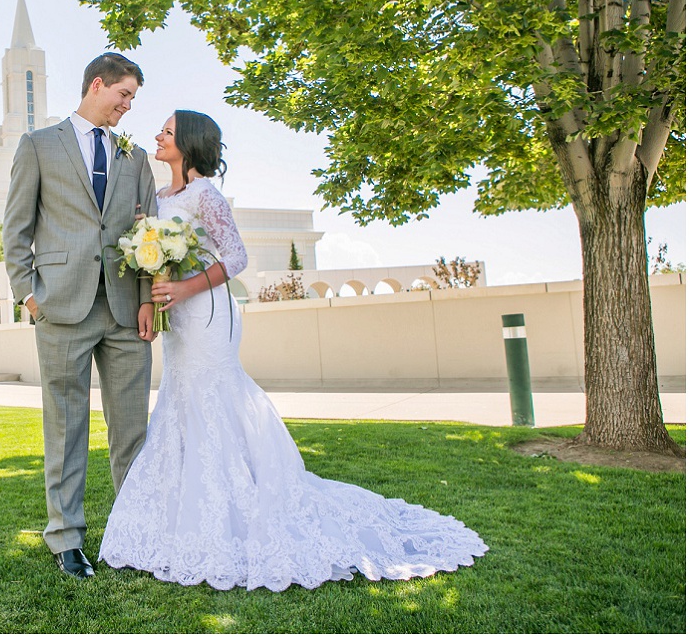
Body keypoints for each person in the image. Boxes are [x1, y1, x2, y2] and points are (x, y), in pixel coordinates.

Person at [99, 110, 488, 591]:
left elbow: (236, 256)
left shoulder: (206, 195)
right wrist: (157, 290)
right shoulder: (158, 198)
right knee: (180, 401)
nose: (158, 135)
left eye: (168, 131)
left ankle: (242, 503)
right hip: (176, 320)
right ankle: (181, 514)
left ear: (190, 144)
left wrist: (187, 289)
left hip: (207, 314)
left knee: (212, 397)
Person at [3, 52, 158, 580]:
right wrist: (29, 292)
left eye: (133, 99)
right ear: (98, 84)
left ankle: (137, 530)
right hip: (60, 307)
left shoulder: (135, 156)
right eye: (125, 95)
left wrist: (145, 299)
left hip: (123, 311)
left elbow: (148, 235)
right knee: (65, 427)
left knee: (132, 430)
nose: (128, 106)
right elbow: (16, 230)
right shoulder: (38, 146)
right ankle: (66, 539)